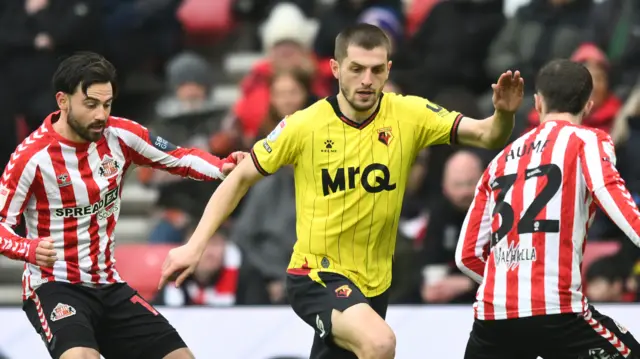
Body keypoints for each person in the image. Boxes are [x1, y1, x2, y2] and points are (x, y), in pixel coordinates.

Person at [160, 23, 524, 359]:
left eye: (377, 70)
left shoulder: (410, 115)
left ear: (388, 69)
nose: (367, 80)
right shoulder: (304, 126)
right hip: (315, 275)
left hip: (375, 283)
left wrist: (503, 114)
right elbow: (238, 178)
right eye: (356, 69)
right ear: (335, 69)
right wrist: (195, 245)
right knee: (379, 342)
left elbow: (488, 134)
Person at [0, 51, 244, 359]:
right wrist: (28, 249)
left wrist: (221, 167)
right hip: (54, 285)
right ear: (62, 101)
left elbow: (179, 158)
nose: (101, 114)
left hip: (108, 283)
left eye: (107, 104)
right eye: (91, 104)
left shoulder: (120, 134)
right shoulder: (31, 157)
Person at [455, 59, 640, 359]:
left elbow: (467, 256)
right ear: (589, 106)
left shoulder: (498, 161)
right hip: (557, 311)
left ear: (537, 103)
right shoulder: (588, 140)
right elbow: (610, 193)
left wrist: (511, 282)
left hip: (492, 319)